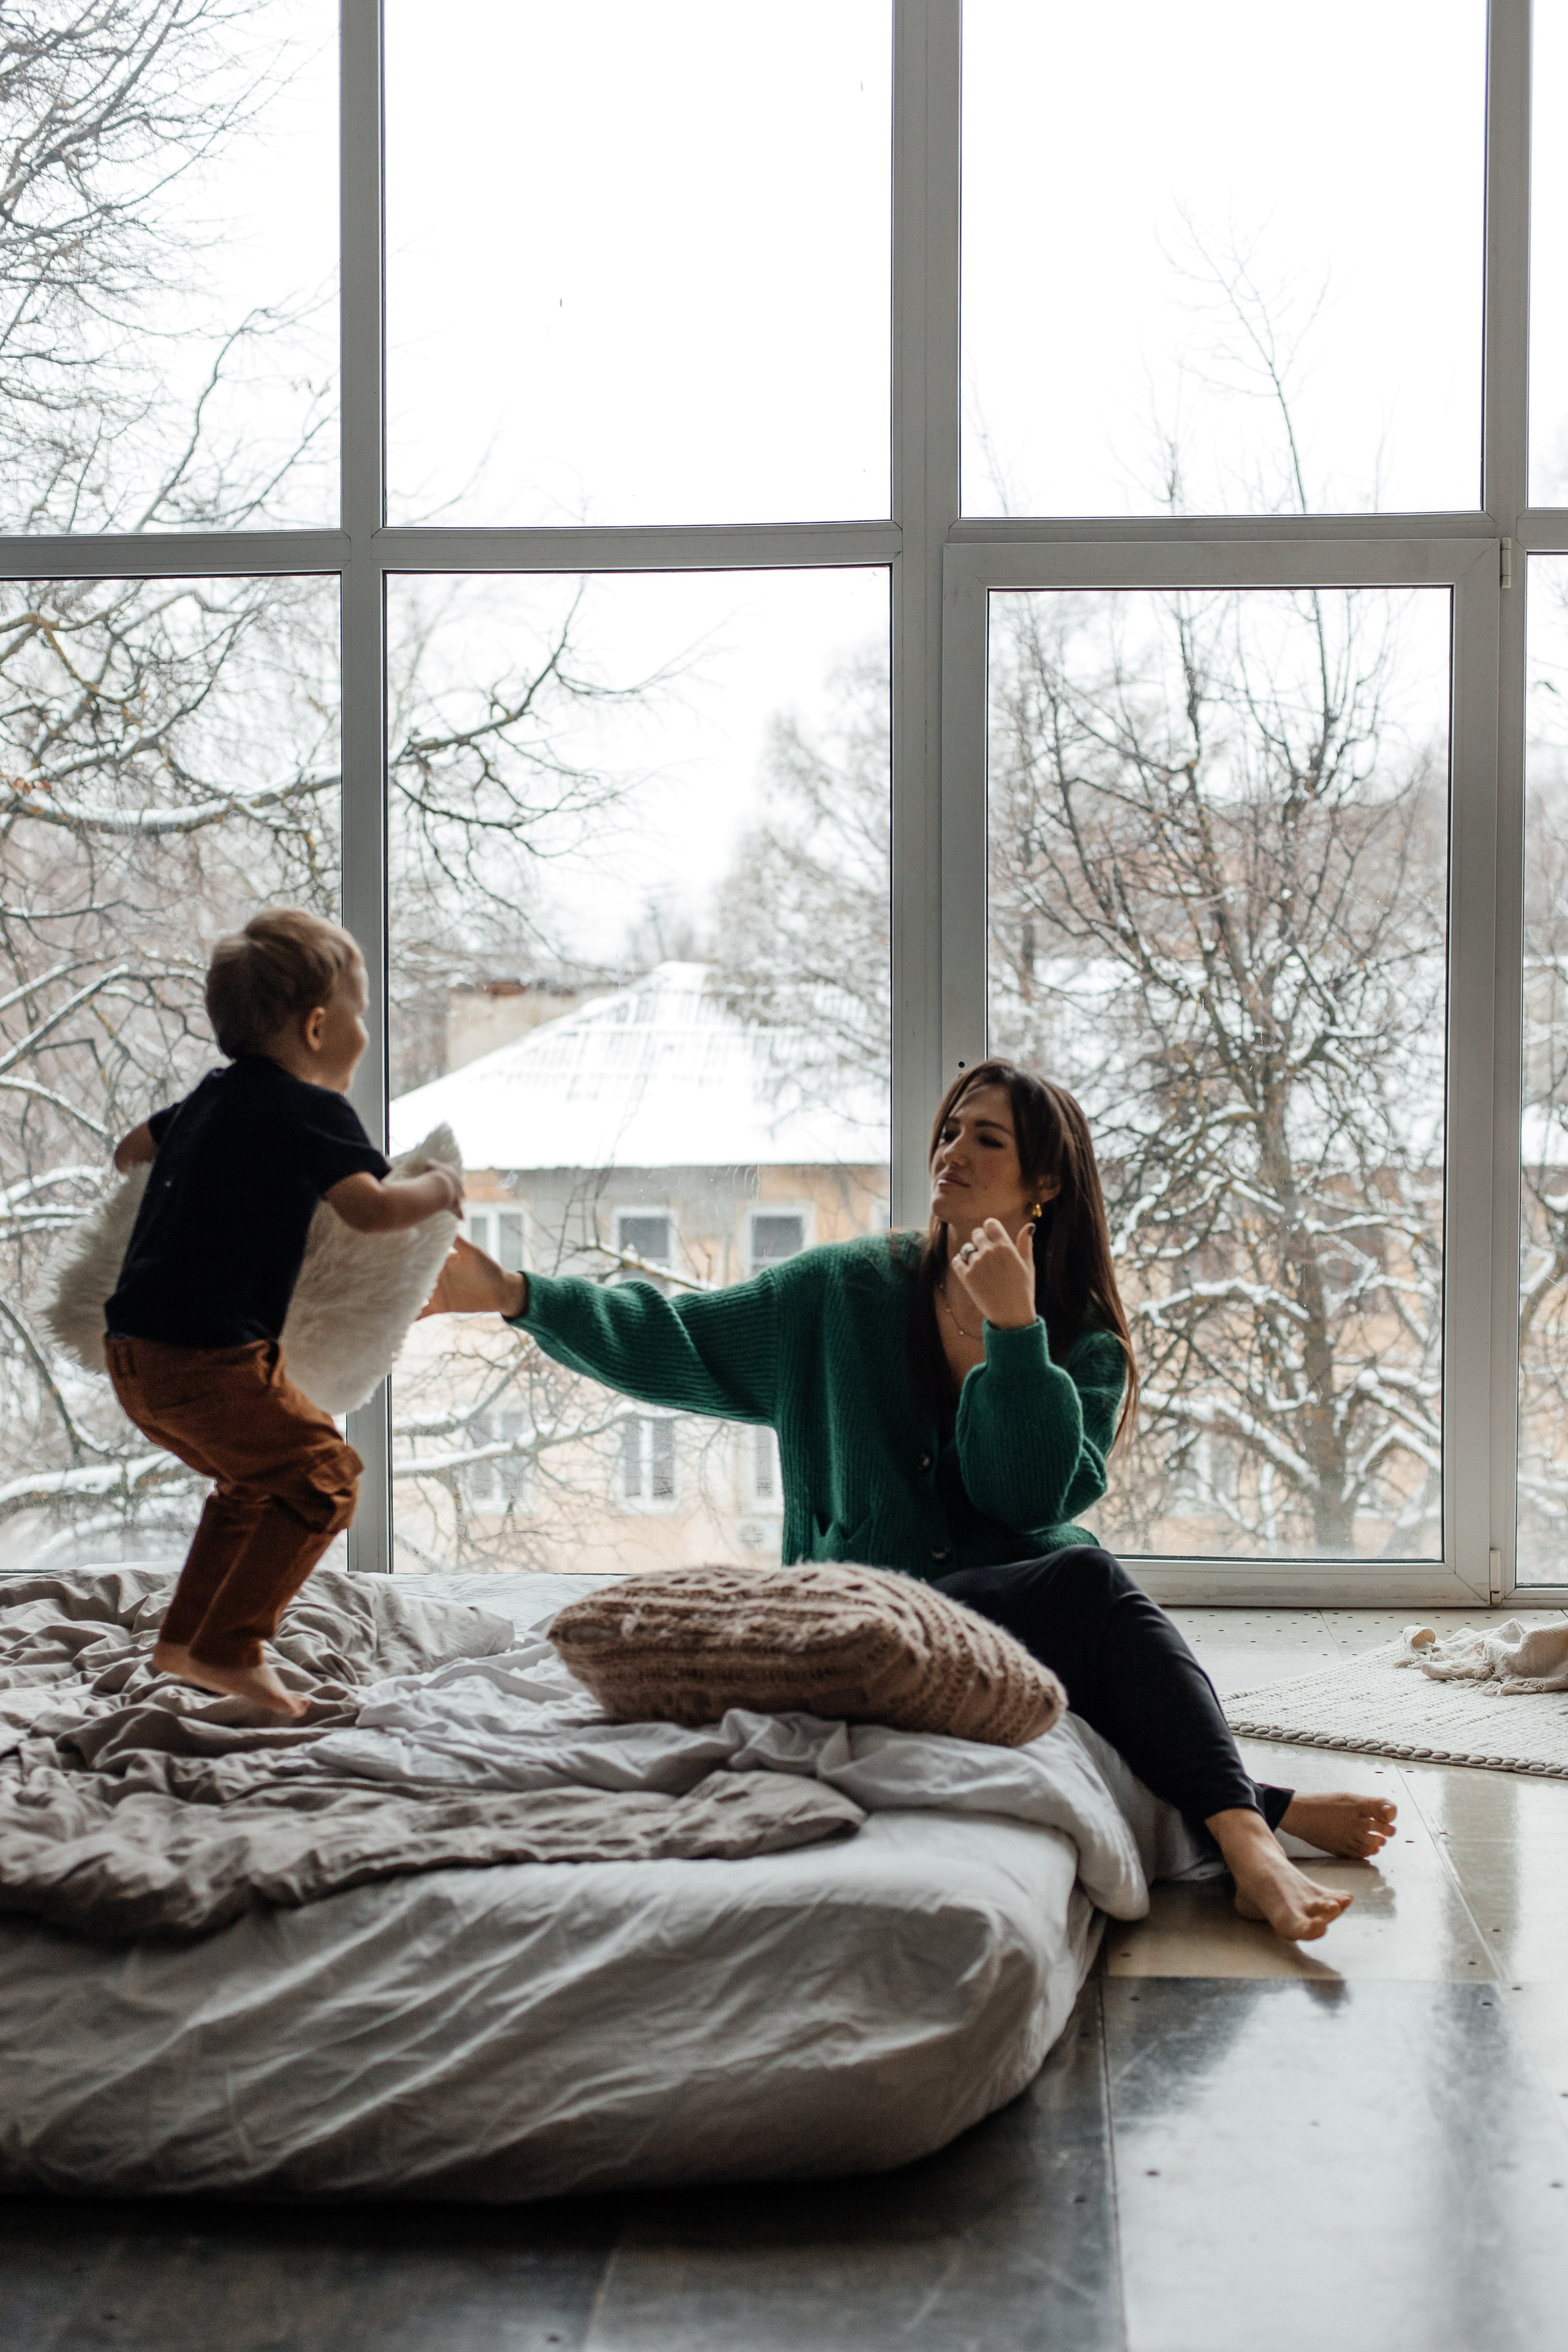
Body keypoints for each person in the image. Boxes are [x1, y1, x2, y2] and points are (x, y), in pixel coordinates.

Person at [421, 1057, 1396, 1942]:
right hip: (866, 1612)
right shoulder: (843, 1290)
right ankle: (1260, 1812)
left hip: (1011, 1602)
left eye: (988, 1138)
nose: (953, 1151)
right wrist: (515, 1293)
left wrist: (1015, 1335)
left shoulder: (1082, 1340)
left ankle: (1248, 1843)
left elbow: (1023, 1499)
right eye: (948, 1130)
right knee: (1090, 1616)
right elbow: (677, 1338)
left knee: (1089, 1609)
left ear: (1045, 1181)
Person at [106, 907, 462, 1717]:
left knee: (252, 1484)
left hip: (137, 1354)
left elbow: (131, 1148)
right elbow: (370, 1211)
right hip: (209, 1357)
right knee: (328, 1478)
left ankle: (185, 1643)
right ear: (314, 1026)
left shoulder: (211, 1099)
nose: (364, 1032)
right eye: (359, 1013)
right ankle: (233, 1647)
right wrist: (438, 1189)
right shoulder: (310, 1111)